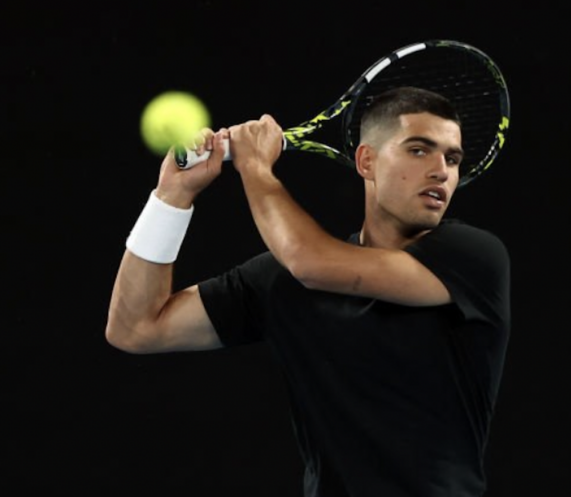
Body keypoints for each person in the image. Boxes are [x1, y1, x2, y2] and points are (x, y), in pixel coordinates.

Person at [106, 86, 511, 496]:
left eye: (453, 158)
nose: (442, 170)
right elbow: (136, 327)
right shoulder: (278, 282)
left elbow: (309, 262)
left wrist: (256, 169)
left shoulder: (475, 259)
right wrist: (173, 196)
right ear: (366, 160)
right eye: (419, 150)